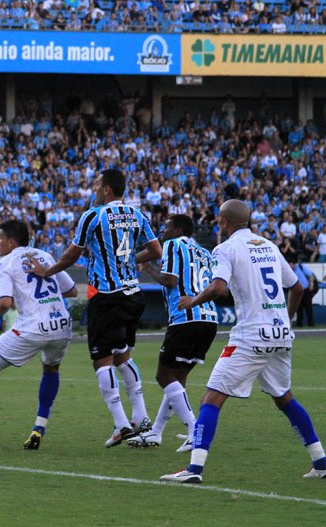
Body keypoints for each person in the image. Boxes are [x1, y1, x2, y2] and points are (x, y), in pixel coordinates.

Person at [161, 200, 326, 484]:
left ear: (224, 222)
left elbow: (218, 287)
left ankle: (194, 469)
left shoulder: (225, 249)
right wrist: (285, 320)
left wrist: (192, 301)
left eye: (218, 220)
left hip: (250, 335)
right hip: (280, 334)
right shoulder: (269, 245)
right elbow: (297, 287)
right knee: (284, 398)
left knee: (210, 398)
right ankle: (321, 461)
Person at [27, 168, 162, 447]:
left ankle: (121, 423)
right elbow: (156, 252)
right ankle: (141, 417)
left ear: (107, 189)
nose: (94, 187)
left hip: (107, 295)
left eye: (97, 184)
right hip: (134, 295)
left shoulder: (94, 215)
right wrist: (128, 260)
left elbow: (71, 254)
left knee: (102, 359)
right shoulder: (138, 215)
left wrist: (47, 271)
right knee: (122, 354)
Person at [0, 220, 77, 453]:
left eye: (0, 237)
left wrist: (1, 311)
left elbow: (4, 302)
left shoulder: (6, 262)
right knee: (51, 369)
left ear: (11, 242)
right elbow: (72, 290)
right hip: (61, 324)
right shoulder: (44, 255)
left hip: (33, 326)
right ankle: (38, 429)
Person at [127, 215, 218, 452]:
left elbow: (169, 280)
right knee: (176, 379)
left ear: (177, 230)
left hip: (185, 318)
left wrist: (149, 269)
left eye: (166, 227)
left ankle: (194, 429)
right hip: (208, 318)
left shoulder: (173, 245)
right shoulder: (204, 252)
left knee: (164, 375)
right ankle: (156, 432)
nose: (162, 231)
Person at [288, 257, 316, 327]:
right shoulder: (290, 271)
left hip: (306, 289)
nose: (289, 266)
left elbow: (310, 276)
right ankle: (299, 323)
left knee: (308, 307)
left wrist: (311, 284)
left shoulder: (301, 267)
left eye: (290, 264)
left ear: (293, 264)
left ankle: (311, 323)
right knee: (298, 308)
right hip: (297, 291)